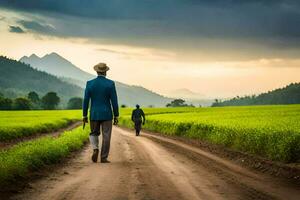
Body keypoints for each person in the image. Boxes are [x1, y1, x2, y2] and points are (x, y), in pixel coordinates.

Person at [83, 63, 119, 163]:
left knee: (94, 133)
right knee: (106, 136)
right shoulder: (110, 84)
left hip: (94, 113)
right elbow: (114, 101)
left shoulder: (89, 83)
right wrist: (116, 115)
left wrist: (84, 115)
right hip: (107, 114)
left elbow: (86, 100)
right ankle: (103, 157)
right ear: (106, 72)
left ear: (96, 71)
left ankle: (95, 149)